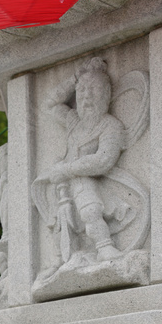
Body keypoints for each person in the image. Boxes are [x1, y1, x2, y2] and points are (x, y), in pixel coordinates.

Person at [43, 56, 124, 264]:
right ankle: (63, 258)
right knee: (58, 221)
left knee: (90, 208)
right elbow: (50, 104)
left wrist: (68, 169)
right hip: (61, 181)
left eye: (93, 90)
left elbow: (104, 160)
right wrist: (73, 79)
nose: (86, 98)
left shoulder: (109, 125)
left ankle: (104, 247)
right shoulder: (73, 122)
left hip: (83, 177)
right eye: (82, 92)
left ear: (106, 94)